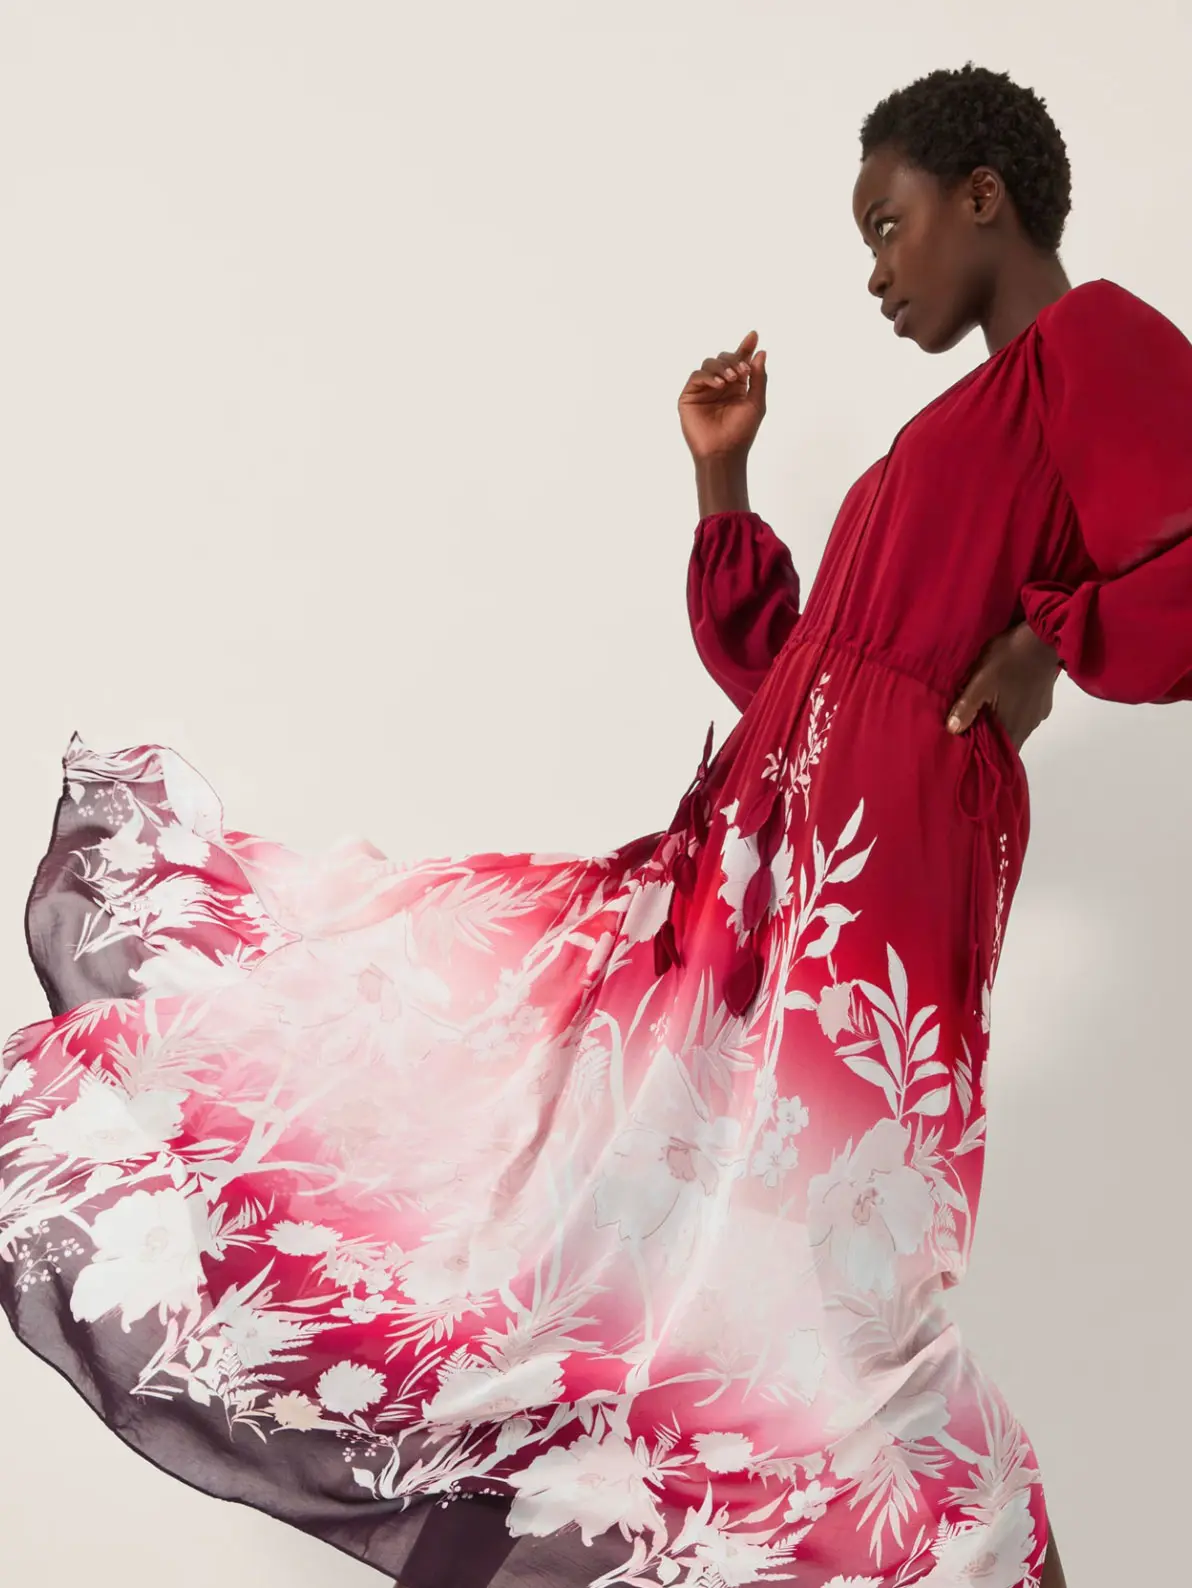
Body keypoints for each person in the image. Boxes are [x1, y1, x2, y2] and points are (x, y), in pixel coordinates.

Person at [3, 58, 1189, 1588]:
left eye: (889, 226)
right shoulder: (945, 435)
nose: (876, 272)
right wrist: (723, 480)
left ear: (984, 197)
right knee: (620, 1203)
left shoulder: (1092, 347)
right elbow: (800, 678)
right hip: (772, 859)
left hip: (874, 880)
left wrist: (1050, 642)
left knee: (834, 1273)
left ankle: (952, 1548)